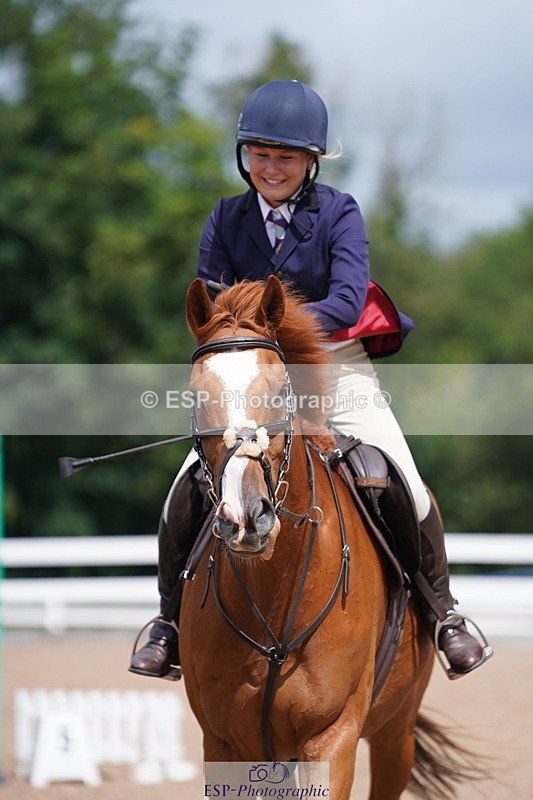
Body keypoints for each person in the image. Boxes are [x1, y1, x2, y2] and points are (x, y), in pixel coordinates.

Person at [129, 80, 491, 681]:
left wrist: (272, 329)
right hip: (252, 376)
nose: (271, 169)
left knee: (405, 481)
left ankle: (444, 614)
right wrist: (254, 345)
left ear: (310, 162)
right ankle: (167, 622)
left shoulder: (339, 213)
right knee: (186, 490)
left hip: (334, 365)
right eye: (260, 155)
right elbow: (214, 307)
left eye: (286, 157)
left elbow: (348, 303)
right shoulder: (225, 217)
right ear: (245, 156)